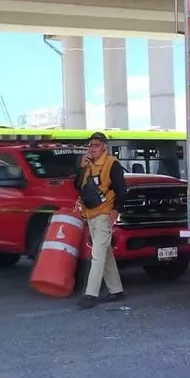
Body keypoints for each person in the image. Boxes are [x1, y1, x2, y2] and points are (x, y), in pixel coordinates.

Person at [73, 131, 128, 309]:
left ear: (104, 147)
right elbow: (77, 186)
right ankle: (116, 290)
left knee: (97, 254)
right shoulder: (88, 164)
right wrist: (82, 168)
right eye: (90, 145)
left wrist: (116, 210)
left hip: (104, 213)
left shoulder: (112, 164)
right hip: (91, 213)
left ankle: (91, 294)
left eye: (96, 145)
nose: (92, 149)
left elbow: (122, 189)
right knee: (105, 253)